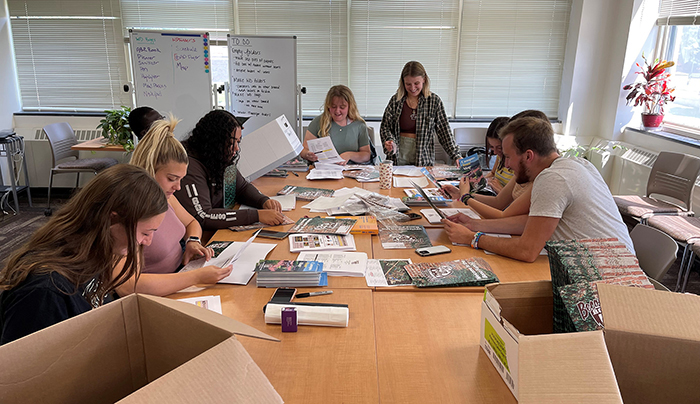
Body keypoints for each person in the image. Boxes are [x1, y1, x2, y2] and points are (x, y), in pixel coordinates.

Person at [0, 164, 168, 344]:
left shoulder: (92, 255)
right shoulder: (45, 292)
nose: (148, 242)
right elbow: (25, 366)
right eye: (145, 233)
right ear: (111, 219)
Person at [442, 117, 634, 262]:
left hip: (607, 284)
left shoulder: (552, 179)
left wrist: (473, 238)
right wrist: (475, 225)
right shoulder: (578, 164)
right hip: (614, 269)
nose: (506, 165)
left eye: (508, 157)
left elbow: (527, 250)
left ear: (528, 156)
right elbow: (529, 224)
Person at [118, 115, 233, 297]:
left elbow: (191, 222)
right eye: (172, 179)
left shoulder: (166, 196)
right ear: (148, 170)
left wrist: (192, 241)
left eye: (181, 179)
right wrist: (195, 277)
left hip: (181, 277)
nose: (178, 187)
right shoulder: (129, 209)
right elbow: (127, 285)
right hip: (158, 295)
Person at [174, 110, 285, 241]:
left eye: (238, 142)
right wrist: (257, 215)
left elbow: (241, 187)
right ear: (216, 141)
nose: (236, 148)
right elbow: (203, 215)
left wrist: (263, 201)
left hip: (215, 231)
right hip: (199, 238)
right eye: (232, 142)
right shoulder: (188, 165)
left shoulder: (217, 156)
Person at [380, 61, 461, 166]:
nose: (412, 88)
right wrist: (389, 141)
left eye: (416, 83)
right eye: (408, 84)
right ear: (403, 82)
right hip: (398, 157)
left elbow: (444, 132)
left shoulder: (434, 101)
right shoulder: (396, 101)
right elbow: (385, 127)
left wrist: (456, 155)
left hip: (423, 159)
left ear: (424, 80)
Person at [300, 85, 372, 165]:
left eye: (342, 107)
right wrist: (308, 155)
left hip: (351, 171)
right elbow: (303, 150)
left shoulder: (359, 125)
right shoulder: (318, 122)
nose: (337, 111)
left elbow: (366, 155)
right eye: (333, 107)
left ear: (350, 106)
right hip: (324, 171)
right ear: (328, 106)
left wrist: (349, 155)